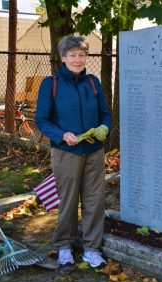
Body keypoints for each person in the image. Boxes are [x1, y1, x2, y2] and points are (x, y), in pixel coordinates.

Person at [36, 36, 112, 268]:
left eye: (81, 55)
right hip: (65, 153)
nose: (77, 59)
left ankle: (91, 248)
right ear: (63, 57)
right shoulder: (52, 83)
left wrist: (104, 128)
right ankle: (64, 245)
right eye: (73, 55)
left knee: (94, 200)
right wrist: (61, 135)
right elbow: (42, 120)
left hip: (93, 152)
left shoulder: (93, 82)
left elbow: (106, 114)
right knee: (68, 201)